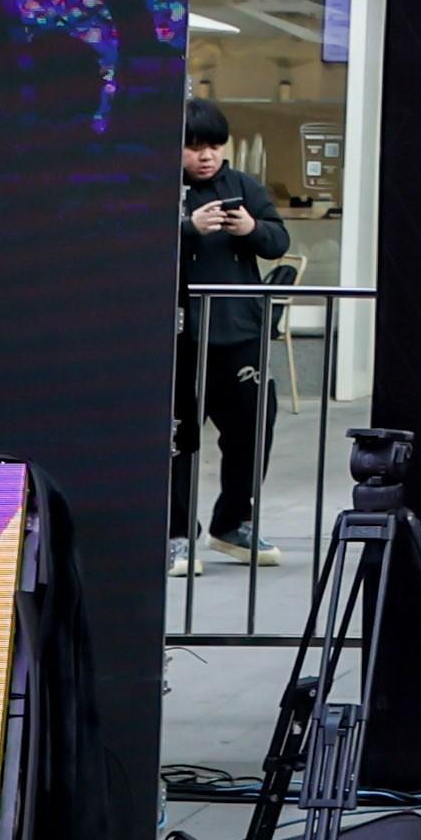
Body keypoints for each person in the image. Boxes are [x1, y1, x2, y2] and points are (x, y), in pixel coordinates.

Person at [175, 98, 287, 562]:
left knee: (252, 429)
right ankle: (176, 534)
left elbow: (278, 240)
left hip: (239, 333)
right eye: (194, 147)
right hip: (179, 337)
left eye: (215, 146)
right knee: (178, 438)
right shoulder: (161, 187)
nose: (206, 156)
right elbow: (129, 242)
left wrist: (251, 227)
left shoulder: (242, 185)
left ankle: (232, 523)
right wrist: (188, 228)